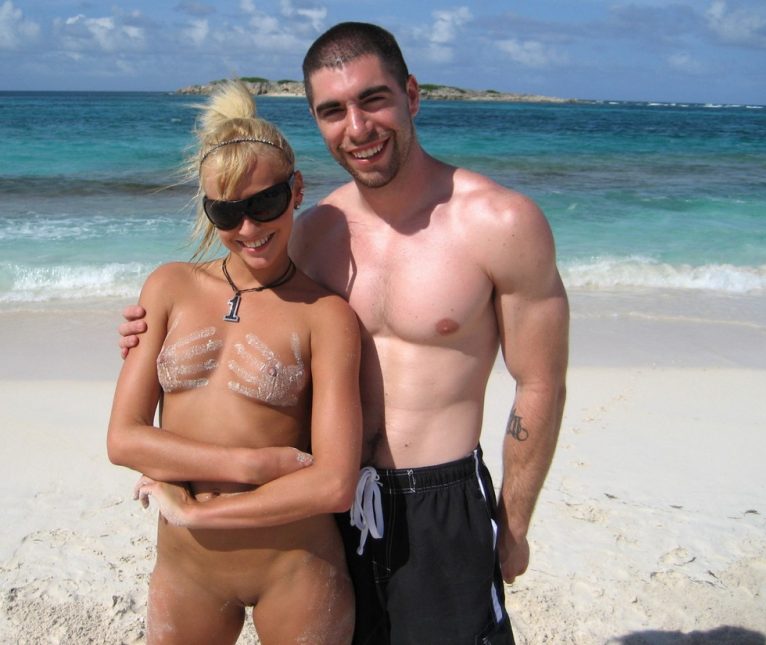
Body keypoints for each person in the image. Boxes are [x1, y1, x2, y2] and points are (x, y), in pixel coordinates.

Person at [120, 22, 569, 645]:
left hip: (438, 501)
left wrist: (513, 525)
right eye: (333, 111)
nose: (357, 128)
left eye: (373, 100)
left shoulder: (500, 223)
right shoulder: (312, 232)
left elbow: (539, 382)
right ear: (316, 120)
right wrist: (148, 335)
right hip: (321, 506)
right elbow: (242, 320)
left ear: (412, 95)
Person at [107, 79, 362, 645]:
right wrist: (254, 464)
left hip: (295, 566)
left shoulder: (325, 315)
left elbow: (334, 484)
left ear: (297, 189)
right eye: (225, 213)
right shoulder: (169, 287)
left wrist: (200, 512)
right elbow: (123, 440)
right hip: (187, 570)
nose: (248, 228)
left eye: (264, 203)